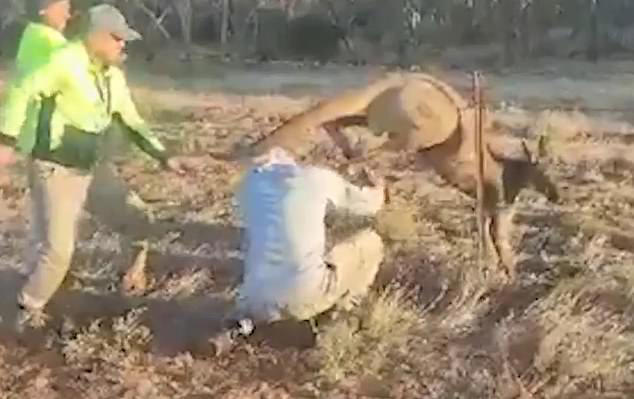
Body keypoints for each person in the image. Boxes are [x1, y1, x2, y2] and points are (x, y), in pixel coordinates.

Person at [0, 4, 189, 331]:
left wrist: (164, 156)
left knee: (138, 220)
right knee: (57, 254)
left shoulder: (111, 76)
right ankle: (26, 310)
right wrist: (5, 142)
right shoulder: (63, 61)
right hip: (55, 168)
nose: (123, 45)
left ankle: (129, 279)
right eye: (117, 39)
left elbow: (131, 120)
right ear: (96, 36)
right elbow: (22, 90)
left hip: (91, 169)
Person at [211, 147, 386, 353]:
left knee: (263, 286)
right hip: (305, 292)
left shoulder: (249, 184)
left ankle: (237, 327)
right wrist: (378, 187)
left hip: (254, 294)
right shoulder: (317, 178)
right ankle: (341, 317)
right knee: (370, 242)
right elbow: (369, 207)